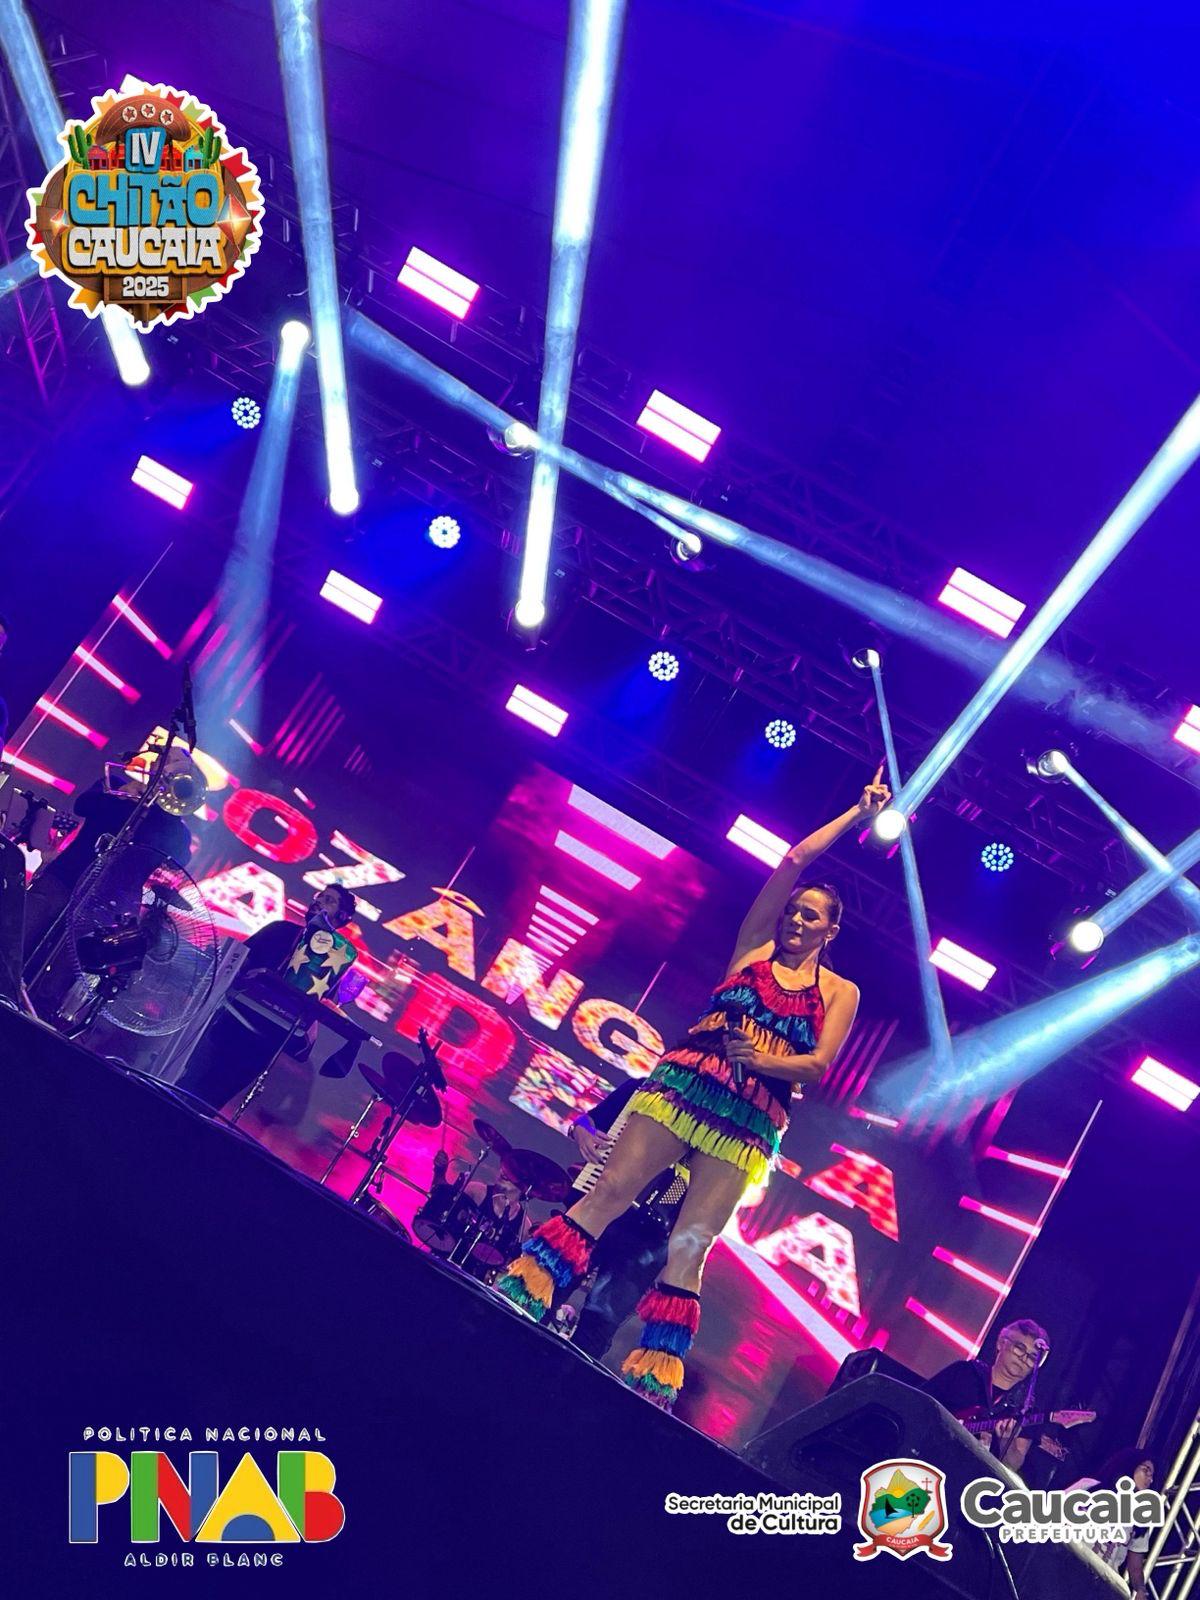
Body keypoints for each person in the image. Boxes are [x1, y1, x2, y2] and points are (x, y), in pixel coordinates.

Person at [494, 766, 890, 1409]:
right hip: (688, 1085)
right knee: (610, 1191)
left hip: (750, 1116)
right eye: (793, 910)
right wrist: (857, 814)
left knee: (691, 1244)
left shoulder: (840, 991)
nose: (795, 919)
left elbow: (817, 1065)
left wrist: (762, 1060)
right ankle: (523, 1292)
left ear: (831, 930)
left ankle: (652, 1377)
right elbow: (793, 860)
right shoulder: (754, 950)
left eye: (810, 915)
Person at [175, 886, 358, 1112]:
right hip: (233, 1019)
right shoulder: (280, 929)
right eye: (319, 896)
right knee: (189, 1083)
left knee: (212, 1101)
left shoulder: (334, 961)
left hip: (268, 1039)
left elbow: (318, 1003)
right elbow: (238, 959)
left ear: (342, 917)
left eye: (328, 900)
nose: (319, 901)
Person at [22, 752, 193, 971]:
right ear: (154, 764)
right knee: (18, 937)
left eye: (177, 766)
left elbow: (179, 856)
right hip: (63, 878)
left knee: (63, 967)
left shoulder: (172, 825)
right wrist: (122, 794)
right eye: (165, 761)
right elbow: (82, 805)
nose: (169, 769)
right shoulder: (115, 784)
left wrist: (165, 809)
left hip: (105, 905)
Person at [564, 1078, 689, 1361]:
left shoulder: (722, 1130)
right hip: (599, 1211)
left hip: (646, 1245)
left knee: (595, 1331)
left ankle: (565, 1381)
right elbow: (586, 1121)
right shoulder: (643, 1088)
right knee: (547, 1288)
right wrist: (582, 1132)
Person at [924, 1318, 1052, 1473]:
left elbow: (1013, 1466)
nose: (1023, 1359)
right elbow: (919, 1404)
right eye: (1019, 1348)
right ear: (1001, 1343)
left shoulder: (1027, 1410)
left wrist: (1006, 1442)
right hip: (926, 1457)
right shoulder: (964, 1372)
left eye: (1031, 1357)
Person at [1067, 1448, 1156, 1600]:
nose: (1150, 1479)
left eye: (1152, 1475)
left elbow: (1135, 1566)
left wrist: (1140, 1590)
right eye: (1146, 1470)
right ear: (1130, 1466)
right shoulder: (1089, 1487)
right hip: (1068, 1562)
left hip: (1099, 1584)